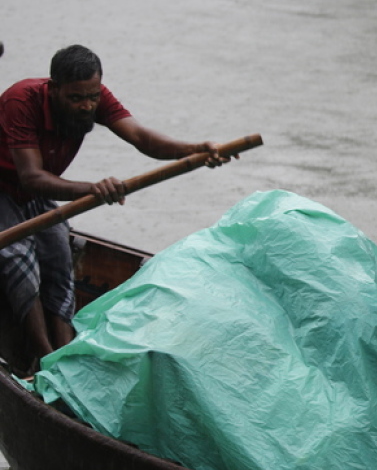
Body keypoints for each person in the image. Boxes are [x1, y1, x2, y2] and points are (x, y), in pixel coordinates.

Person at [0, 44, 229, 373]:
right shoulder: (21, 100)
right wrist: (93, 189)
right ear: (53, 90)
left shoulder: (95, 96)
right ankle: (44, 358)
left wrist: (196, 150)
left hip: (33, 192)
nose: (87, 106)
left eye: (92, 97)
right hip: (6, 186)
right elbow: (31, 176)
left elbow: (141, 137)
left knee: (58, 252)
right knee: (17, 257)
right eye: (76, 98)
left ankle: (65, 355)